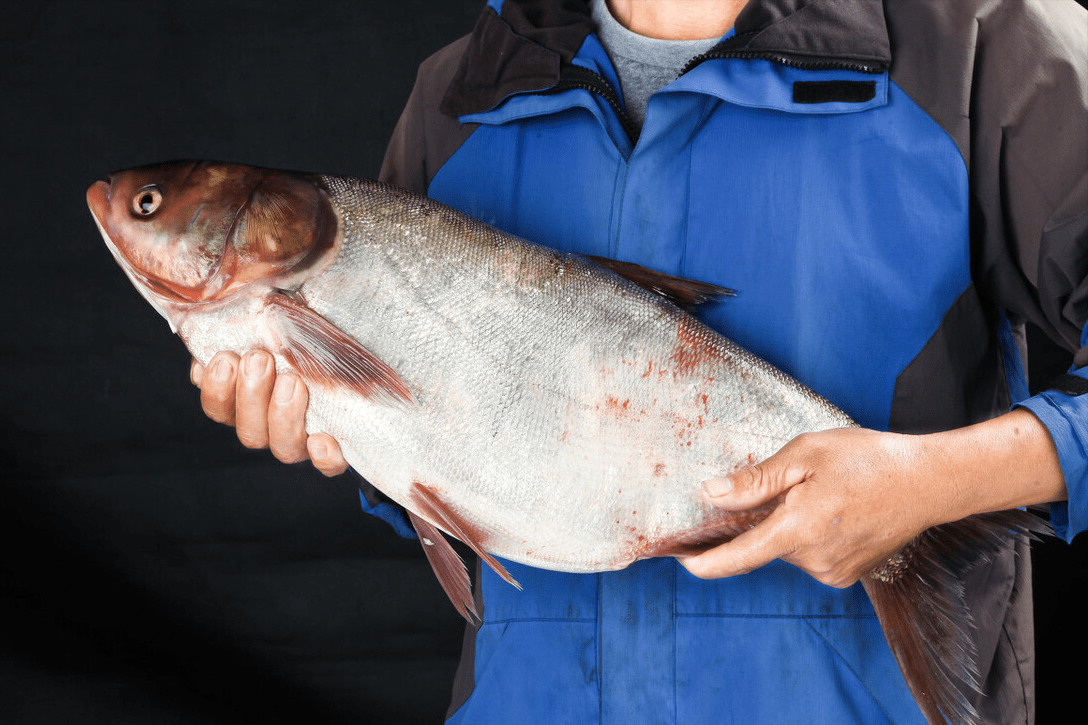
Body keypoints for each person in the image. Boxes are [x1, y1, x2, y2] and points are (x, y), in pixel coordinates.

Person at [190, 0, 1087, 722]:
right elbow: (467, 467)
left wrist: (935, 481)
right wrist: (345, 433)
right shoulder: (460, 92)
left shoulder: (980, 51)